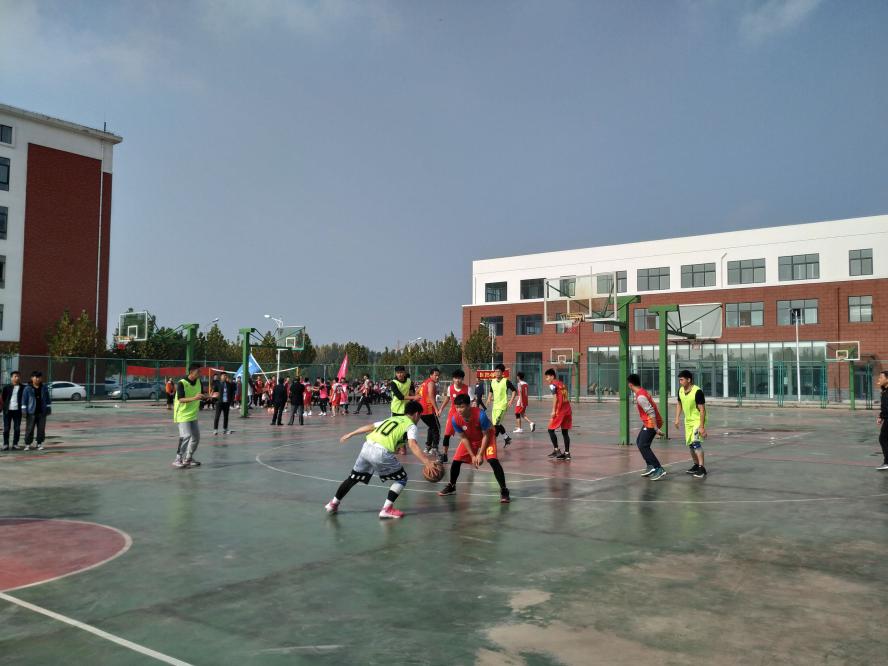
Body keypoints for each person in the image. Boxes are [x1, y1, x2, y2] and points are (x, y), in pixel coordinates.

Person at [325, 400, 439, 519]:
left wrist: (351, 434)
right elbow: (412, 445)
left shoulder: (392, 419)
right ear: (416, 414)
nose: (419, 419)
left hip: (367, 447)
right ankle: (387, 509)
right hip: (380, 452)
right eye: (420, 416)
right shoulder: (411, 426)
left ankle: (333, 503)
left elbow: (370, 427)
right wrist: (427, 462)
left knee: (353, 478)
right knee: (401, 479)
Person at [437, 394, 511, 503]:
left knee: (493, 460)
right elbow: (463, 438)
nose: (459, 410)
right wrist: (472, 455)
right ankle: (452, 486)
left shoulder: (481, 415)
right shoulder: (455, 419)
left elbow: (486, 435)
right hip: (470, 438)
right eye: (457, 407)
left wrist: (480, 454)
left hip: (487, 437)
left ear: (469, 406)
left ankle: (504, 490)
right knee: (456, 461)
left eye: (462, 407)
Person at [628, 374, 666, 480]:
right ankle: (651, 466)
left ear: (630, 385)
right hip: (648, 422)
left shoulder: (640, 397)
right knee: (639, 442)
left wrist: (656, 428)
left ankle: (658, 468)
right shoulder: (642, 391)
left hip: (651, 423)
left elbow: (651, 412)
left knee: (643, 445)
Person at [674, 369, 708, 478]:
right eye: (679, 380)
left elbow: (702, 410)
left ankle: (702, 468)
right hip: (688, 421)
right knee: (690, 444)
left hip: (697, 420)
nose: (680, 382)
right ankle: (696, 465)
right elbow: (679, 404)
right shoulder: (680, 390)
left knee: (696, 442)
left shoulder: (697, 391)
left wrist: (702, 427)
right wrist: (677, 418)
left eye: (682, 380)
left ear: (689, 380)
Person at [172, 363, 206, 469]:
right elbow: (181, 399)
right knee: (186, 435)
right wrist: (194, 398)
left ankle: (188, 458)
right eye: (198, 371)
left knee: (196, 437)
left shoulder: (199, 382)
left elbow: (200, 396)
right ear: (191, 372)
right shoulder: (182, 383)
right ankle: (178, 459)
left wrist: (210, 396)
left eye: (200, 371)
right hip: (182, 414)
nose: (200, 373)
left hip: (193, 414)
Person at [437, 368, 469, 464]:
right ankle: (445, 455)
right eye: (456, 378)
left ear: (462, 379)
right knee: (447, 435)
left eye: (460, 378)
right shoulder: (450, 388)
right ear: (453, 379)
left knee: (467, 435)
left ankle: (468, 454)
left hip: (464, 415)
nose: (458, 380)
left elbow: (473, 401)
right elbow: (447, 398)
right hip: (453, 415)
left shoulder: (467, 389)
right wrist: (441, 409)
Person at [544, 368, 573, 461]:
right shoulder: (561, 383)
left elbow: (555, 398)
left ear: (552, 376)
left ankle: (556, 450)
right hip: (568, 410)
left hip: (560, 411)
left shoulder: (552, 385)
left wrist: (553, 410)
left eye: (547, 377)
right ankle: (567, 453)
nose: (546, 379)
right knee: (565, 432)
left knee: (550, 429)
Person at [22, 371, 51, 451]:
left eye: (39, 377)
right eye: (36, 377)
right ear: (32, 378)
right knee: (29, 429)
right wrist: (24, 411)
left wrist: (48, 408)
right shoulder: (27, 388)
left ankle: (39, 443)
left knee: (41, 429)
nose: (38, 379)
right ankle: (27, 444)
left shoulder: (44, 388)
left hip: (42, 412)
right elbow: (24, 400)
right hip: (31, 412)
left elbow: (48, 399)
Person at [489, 364, 516, 447]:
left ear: (502, 372)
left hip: (502, 406)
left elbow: (514, 391)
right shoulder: (492, 381)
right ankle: (506, 438)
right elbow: (491, 391)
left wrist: (511, 400)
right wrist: (489, 398)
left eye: (499, 371)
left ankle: (492, 442)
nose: (497, 373)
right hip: (495, 406)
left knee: (496, 425)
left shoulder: (506, 381)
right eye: (496, 371)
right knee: (497, 424)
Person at [419, 368, 442, 458]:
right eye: (435, 375)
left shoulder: (424, 382)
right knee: (437, 428)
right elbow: (431, 396)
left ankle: (428, 446)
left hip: (422, 410)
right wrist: (436, 409)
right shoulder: (431, 383)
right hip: (428, 410)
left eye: (438, 375)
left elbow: (417, 392)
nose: (437, 377)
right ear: (431, 375)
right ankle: (434, 447)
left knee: (431, 427)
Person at [2, 371, 25, 451]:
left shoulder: (23, 387)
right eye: (15, 376)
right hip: (7, 411)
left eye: (18, 376)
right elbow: (3, 398)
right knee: (6, 428)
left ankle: (15, 444)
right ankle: (5, 444)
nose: (17, 378)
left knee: (17, 428)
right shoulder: (6, 387)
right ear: (11, 378)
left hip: (17, 411)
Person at [876, 371, 888, 471]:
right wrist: (881, 416)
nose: (879, 379)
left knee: (883, 438)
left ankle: (887, 462)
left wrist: (882, 416)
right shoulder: (885, 391)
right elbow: (885, 407)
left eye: (881, 377)